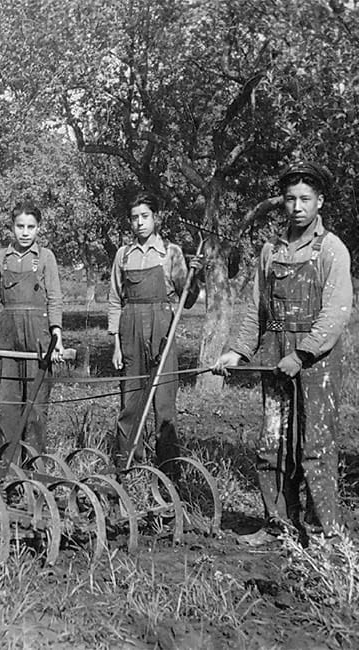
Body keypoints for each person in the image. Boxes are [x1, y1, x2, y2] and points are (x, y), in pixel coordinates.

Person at [214, 161, 352, 545]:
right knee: (272, 440)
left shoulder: (332, 249)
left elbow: (337, 313)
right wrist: (237, 352)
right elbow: (255, 308)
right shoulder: (270, 250)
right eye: (290, 199)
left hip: (316, 361)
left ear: (319, 202)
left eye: (305, 199)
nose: (297, 207)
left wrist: (303, 355)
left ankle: (327, 535)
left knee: (314, 445)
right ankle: (278, 525)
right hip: (275, 352)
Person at [108, 192, 203, 471]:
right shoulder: (123, 255)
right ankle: (126, 467)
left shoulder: (170, 252)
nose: (139, 223)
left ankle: (169, 471)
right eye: (134, 217)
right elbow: (115, 299)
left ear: (156, 218)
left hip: (163, 327)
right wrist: (115, 343)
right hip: (130, 328)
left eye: (145, 216)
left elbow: (188, 299)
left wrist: (194, 277)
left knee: (164, 404)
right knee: (131, 401)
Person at [0, 200, 64, 452]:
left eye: (30, 227)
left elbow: (55, 299)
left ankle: (34, 464)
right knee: (7, 404)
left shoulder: (46, 258)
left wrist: (57, 340)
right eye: (20, 226)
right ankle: (7, 466)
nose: (25, 232)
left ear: (38, 228)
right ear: (12, 227)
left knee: (35, 405)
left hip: (39, 336)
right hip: (9, 336)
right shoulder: (1, 259)